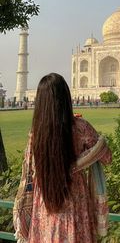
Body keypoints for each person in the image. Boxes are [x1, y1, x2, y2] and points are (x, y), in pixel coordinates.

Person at [14, 73, 112, 243]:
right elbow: (107, 158)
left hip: (45, 199)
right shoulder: (82, 128)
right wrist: (96, 148)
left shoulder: (35, 133)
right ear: (66, 97)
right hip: (74, 199)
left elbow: (30, 166)